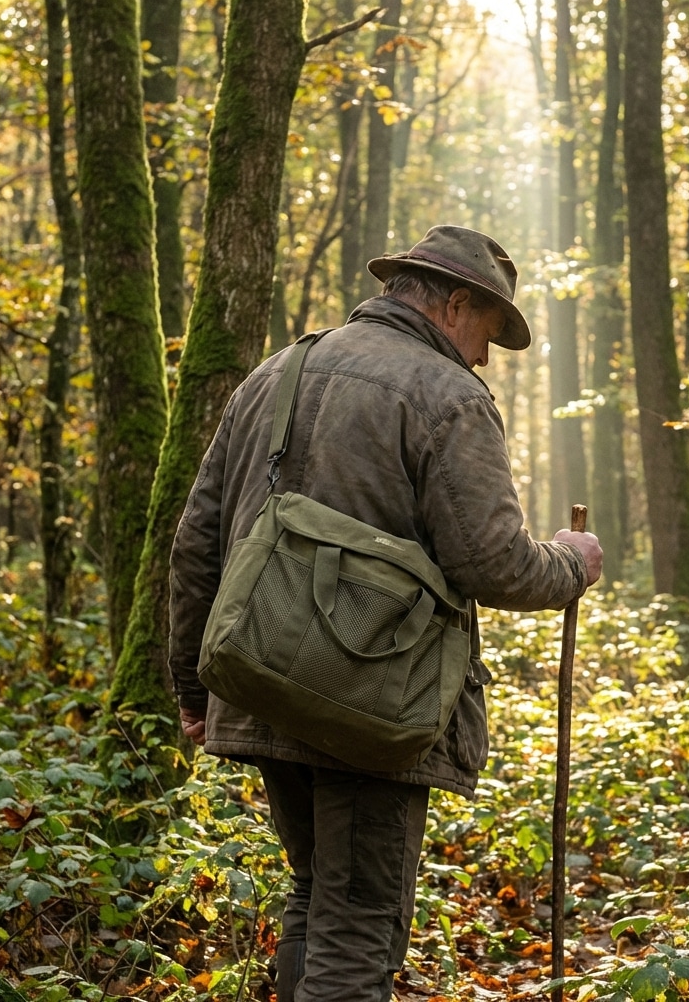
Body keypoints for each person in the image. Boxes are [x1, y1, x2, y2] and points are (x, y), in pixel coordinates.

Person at [168, 225, 603, 1002]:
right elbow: (494, 564)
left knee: (314, 897)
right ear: (456, 303)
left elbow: (197, 542)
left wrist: (195, 692)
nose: (484, 357)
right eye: (488, 335)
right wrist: (572, 562)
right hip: (371, 707)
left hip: (261, 679)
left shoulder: (276, 371)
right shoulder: (449, 396)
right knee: (358, 924)